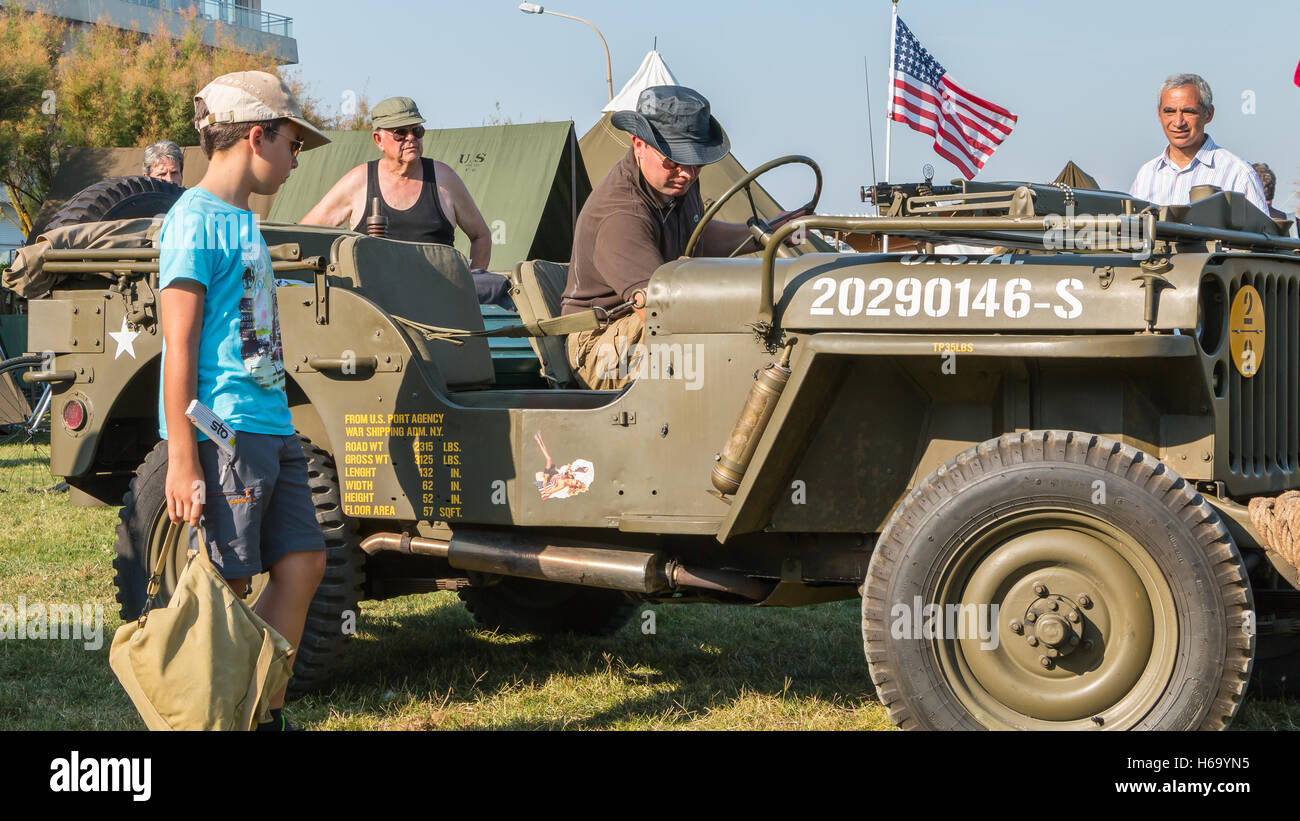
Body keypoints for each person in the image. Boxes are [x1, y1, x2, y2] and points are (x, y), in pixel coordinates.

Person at [157, 70, 330, 731]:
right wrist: (183, 457)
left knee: (305, 562)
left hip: (272, 424)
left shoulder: (244, 223)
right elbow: (179, 344)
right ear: (255, 136)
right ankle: (203, 710)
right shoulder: (192, 221)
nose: (294, 158)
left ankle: (259, 709)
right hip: (225, 429)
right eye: (291, 142)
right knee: (228, 586)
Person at [560, 85, 806, 390]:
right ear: (638, 145)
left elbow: (700, 236)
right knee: (719, 359)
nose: (688, 173)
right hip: (600, 349)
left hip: (645, 324)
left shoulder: (676, 185)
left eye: (696, 161)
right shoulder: (620, 214)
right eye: (674, 160)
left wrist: (767, 234)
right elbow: (660, 311)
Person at [300, 96, 510, 307]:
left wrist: (468, 291)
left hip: (440, 308)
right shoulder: (359, 181)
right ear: (378, 140)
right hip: (379, 311)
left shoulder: (444, 179)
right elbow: (305, 234)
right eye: (400, 132)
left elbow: (481, 235)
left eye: (417, 131)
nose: (411, 138)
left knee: (499, 288)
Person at [1129, 73, 1268, 213]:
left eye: (1188, 112)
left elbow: (1263, 233)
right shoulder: (1146, 175)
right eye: (1169, 111)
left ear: (1208, 114)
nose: (1178, 122)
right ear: (1159, 115)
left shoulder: (1238, 174)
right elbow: (1130, 231)